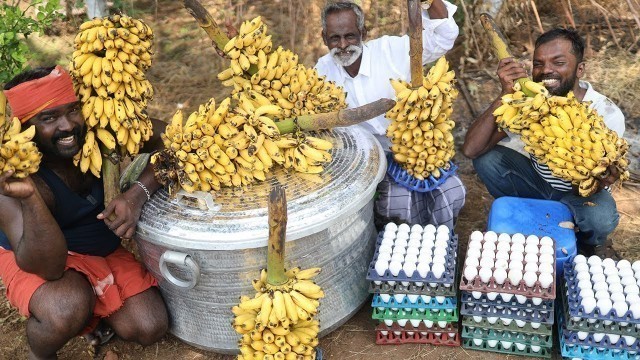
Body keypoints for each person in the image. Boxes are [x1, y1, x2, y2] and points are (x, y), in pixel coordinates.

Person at [0, 65, 169, 359]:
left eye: (73, 110)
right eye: (48, 118)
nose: (67, 126)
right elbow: (48, 269)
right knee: (66, 307)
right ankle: (40, 354)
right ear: (24, 128)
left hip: (96, 247)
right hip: (36, 254)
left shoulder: (100, 138)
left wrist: (137, 194)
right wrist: (30, 198)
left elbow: (176, 141)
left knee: (149, 325)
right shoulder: (14, 176)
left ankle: (92, 315)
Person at [462, 28, 625, 256]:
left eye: (558, 62)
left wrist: (604, 175)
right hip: (533, 184)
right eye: (538, 64)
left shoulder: (605, 112)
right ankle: (527, 218)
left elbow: (603, 179)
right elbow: (472, 149)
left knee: (600, 217)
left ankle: (590, 243)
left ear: (580, 69)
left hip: (577, 193)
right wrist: (504, 94)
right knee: (487, 160)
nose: (546, 70)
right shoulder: (529, 102)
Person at [315, 0, 466, 230]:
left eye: (351, 36)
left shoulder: (390, 51)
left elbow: (443, 37)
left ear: (363, 33)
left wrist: (431, 2)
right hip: (372, 156)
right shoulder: (321, 72)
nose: (343, 45)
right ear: (324, 38)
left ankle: (440, 243)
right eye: (335, 38)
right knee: (399, 208)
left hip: (421, 143)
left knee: (451, 194)